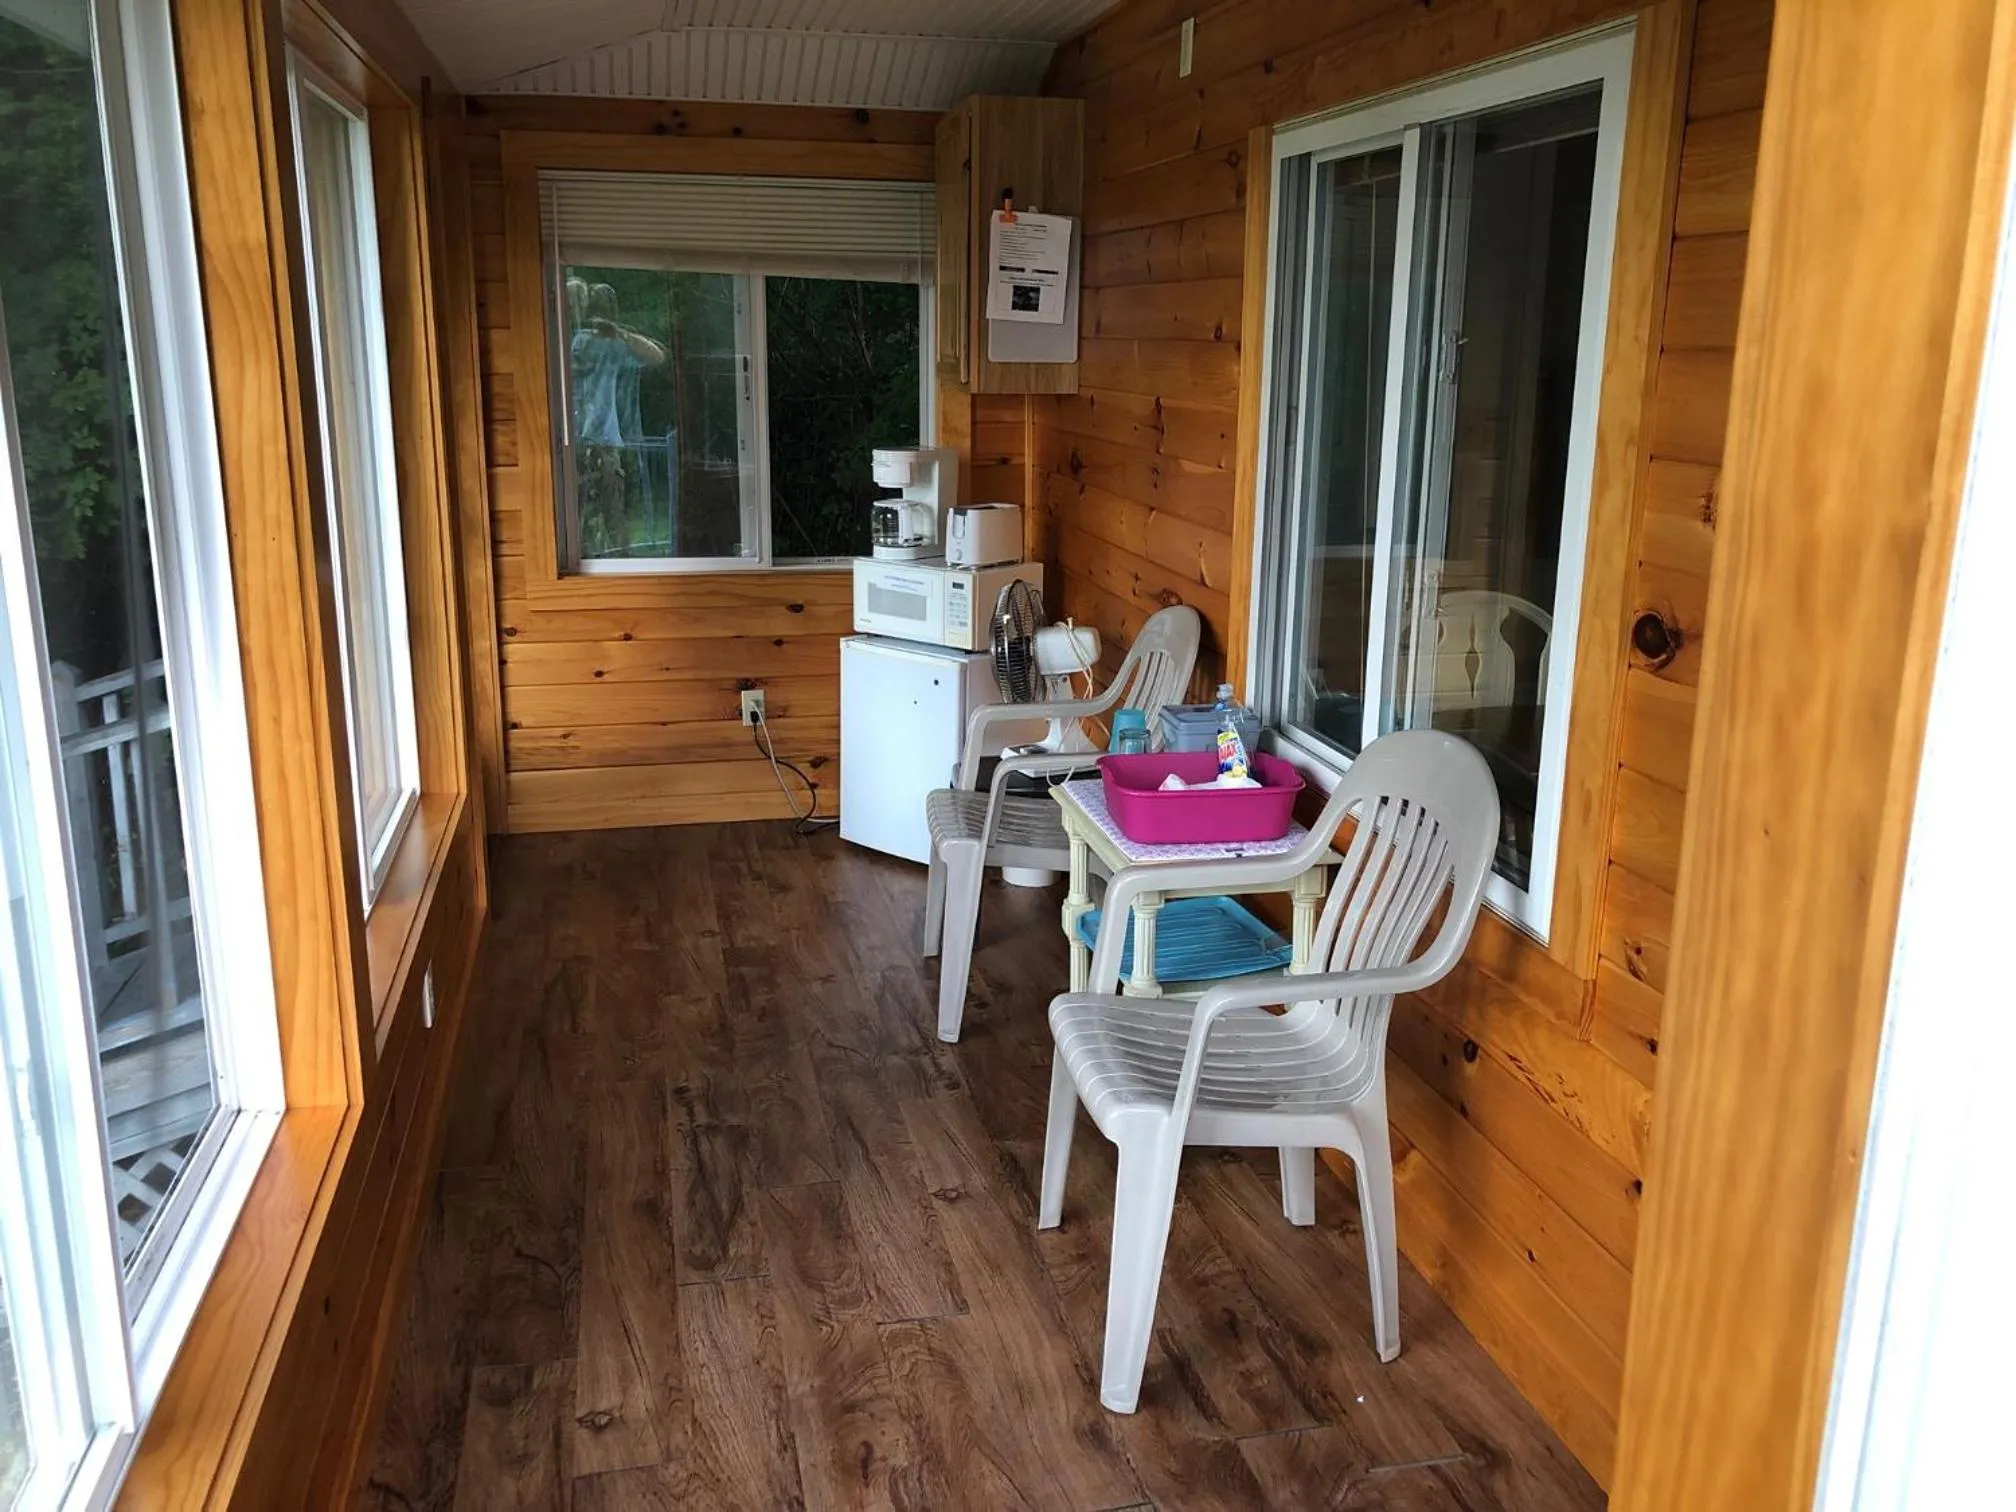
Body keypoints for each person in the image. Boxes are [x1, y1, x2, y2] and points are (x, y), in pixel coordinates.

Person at [569, 283, 665, 553]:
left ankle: (620, 562)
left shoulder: (616, 344)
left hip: (607, 442)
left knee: (614, 513)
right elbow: (568, 370)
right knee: (578, 516)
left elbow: (657, 357)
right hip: (577, 440)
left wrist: (619, 333)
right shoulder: (581, 340)